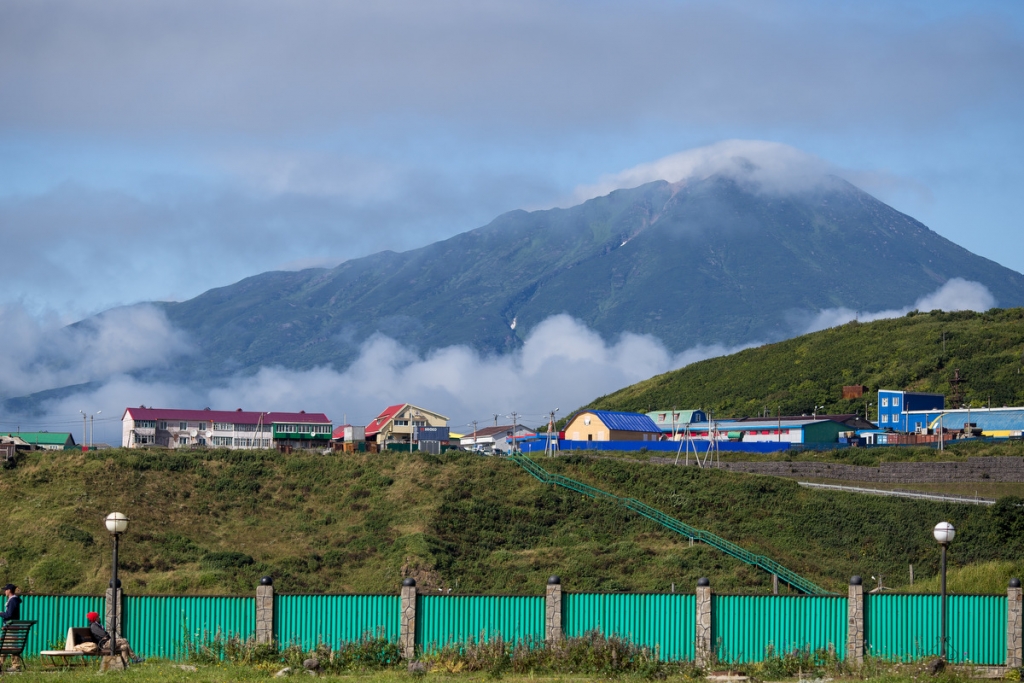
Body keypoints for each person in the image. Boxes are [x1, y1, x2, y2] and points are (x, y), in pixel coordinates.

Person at [0, 584, 22, 671]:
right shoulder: (13, 600)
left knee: (11, 646)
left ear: (9, 590)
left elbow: (9, 615)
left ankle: (16, 666)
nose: (4, 591)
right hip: (9, 627)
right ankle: (0, 664)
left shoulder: (13, 601)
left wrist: (0, 613)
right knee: (4, 646)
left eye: (5, 590)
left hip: (11, 627)